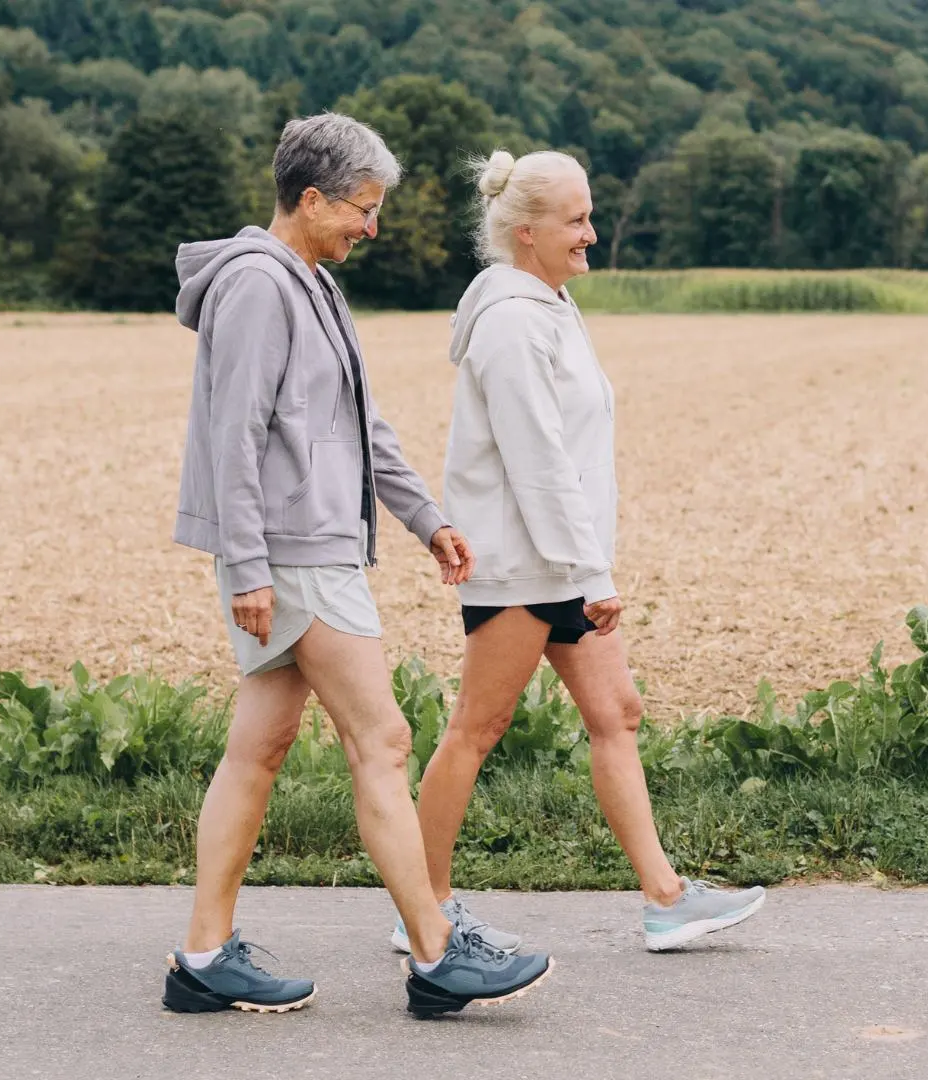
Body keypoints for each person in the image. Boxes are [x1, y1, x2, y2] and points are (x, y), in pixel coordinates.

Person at [163, 116, 552, 1018]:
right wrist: (251, 567)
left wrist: (426, 518)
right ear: (309, 198)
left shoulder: (315, 285)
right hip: (295, 555)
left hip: (306, 549)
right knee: (381, 741)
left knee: (256, 751)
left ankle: (203, 957)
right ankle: (437, 952)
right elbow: (237, 437)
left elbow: (363, 426)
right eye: (362, 209)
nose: (371, 227)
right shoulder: (262, 286)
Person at [389, 148, 765, 956]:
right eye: (578, 219)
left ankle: (666, 899)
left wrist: (589, 563)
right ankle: (423, 908)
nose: (591, 232)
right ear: (527, 232)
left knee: (616, 714)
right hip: (529, 565)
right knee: (477, 730)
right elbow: (537, 460)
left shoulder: (551, 305)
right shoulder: (515, 323)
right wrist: (592, 571)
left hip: (563, 561)